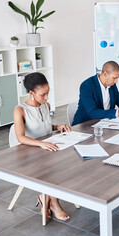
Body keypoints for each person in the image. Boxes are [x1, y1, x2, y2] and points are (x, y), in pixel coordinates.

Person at [13, 72, 71, 221]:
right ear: (31, 93)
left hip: (47, 150)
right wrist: (41, 144)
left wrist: (57, 126)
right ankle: (54, 203)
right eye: (42, 95)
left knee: (67, 161)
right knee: (54, 168)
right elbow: (20, 137)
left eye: (48, 93)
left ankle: (44, 198)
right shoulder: (20, 110)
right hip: (30, 154)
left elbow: (42, 126)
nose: (46, 98)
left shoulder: (46, 105)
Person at [73, 61, 119, 125]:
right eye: (114, 78)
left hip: (104, 123)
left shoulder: (112, 85)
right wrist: (117, 112)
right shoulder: (87, 85)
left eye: (117, 78)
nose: (116, 81)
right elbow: (92, 112)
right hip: (85, 125)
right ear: (105, 74)